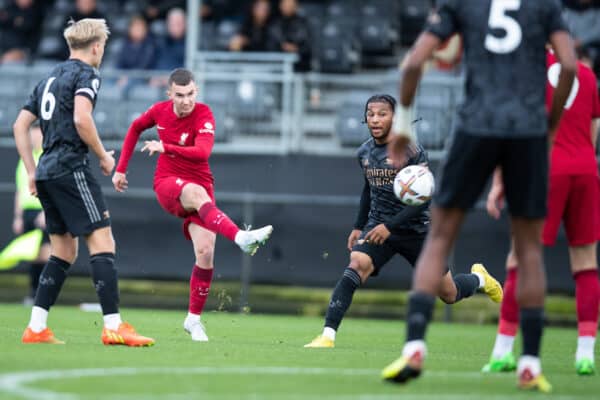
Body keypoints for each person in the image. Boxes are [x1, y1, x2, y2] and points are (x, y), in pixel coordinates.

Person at [382, 0, 576, 392]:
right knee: (529, 250)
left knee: (438, 238)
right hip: (526, 130)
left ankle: (415, 346)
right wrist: (550, 128)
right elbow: (569, 66)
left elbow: (414, 62)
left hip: (476, 124)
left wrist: (402, 123)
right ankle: (530, 364)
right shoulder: (544, 5)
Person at [304, 94, 503, 349]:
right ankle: (327, 336)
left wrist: (390, 226)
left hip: (416, 231)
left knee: (449, 294)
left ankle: (480, 280)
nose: (375, 119)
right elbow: (369, 189)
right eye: (371, 114)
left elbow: (423, 200)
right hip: (377, 227)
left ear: (395, 118)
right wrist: (358, 225)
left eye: (382, 114)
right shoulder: (364, 152)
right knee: (356, 264)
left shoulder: (412, 151)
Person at [13, 18, 154, 347]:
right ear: (96, 46)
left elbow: (21, 125)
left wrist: (32, 170)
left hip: (47, 169)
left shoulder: (50, 77)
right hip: (70, 167)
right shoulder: (87, 74)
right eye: (103, 46)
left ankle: (36, 327)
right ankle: (114, 325)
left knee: (63, 250)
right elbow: (81, 117)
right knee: (103, 242)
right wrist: (104, 155)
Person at [112, 68, 273, 342]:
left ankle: (193, 320)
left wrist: (166, 147)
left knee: (206, 252)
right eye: (179, 95)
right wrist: (120, 169)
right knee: (197, 194)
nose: (186, 100)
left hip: (200, 183)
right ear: (169, 94)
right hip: (168, 183)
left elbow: (203, 152)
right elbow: (135, 128)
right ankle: (241, 237)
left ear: (196, 91)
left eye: (190, 94)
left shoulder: (205, 114)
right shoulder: (159, 111)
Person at [482, 50, 600, 376]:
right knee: (586, 262)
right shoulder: (586, 74)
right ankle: (585, 354)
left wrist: (499, 182)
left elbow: (513, 133)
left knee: (519, 259)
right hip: (586, 171)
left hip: (546, 170)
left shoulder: (529, 69)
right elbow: (593, 130)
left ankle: (503, 350)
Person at [13, 123, 50, 305]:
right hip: (27, 212)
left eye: (38, 135)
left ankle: (43, 295)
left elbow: (51, 189)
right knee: (32, 254)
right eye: (32, 136)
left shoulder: (47, 158)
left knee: (45, 254)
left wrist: (45, 211)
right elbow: (20, 190)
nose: (35, 139)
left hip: (42, 212)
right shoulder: (25, 160)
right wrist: (18, 216)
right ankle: (34, 294)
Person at [115, 15, 158, 97]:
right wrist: (121, 76)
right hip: (126, 78)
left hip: (144, 78)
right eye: (135, 28)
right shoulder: (124, 44)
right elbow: (119, 63)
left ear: (145, 30)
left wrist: (128, 77)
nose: (138, 30)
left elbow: (144, 66)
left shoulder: (150, 45)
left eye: (140, 28)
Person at [268, 0, 311, 71]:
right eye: (285, 4)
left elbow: (307, 46)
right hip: (277, 66)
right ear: (280, 5)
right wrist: (282, 46)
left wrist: (296, 49)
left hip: (299, 66)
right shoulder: (274, 23)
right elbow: (270, 44)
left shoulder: (303, 23)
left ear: (296, 6)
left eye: (291, 4)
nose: (288, 7)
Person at [0, 0, 44, 64]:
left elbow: (27, 25)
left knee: (7, 59)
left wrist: (11, 20)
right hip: (4, 49)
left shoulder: (36, 11)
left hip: (24, 52)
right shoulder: (9, 7)